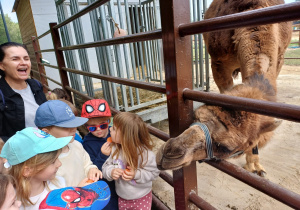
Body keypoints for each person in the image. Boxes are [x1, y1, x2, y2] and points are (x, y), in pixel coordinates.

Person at [0, 127, 73, 210]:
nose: (60, 164)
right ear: (27, 171)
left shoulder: (59, 184)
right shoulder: (9, 200)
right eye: (53, 162)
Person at [35, 100, 102, 187]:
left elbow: (87, 164)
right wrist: (77, 190)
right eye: (66, 126)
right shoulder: (45, 162)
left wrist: (92, 169)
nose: (74, 128)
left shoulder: (77, 145)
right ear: (46, 132)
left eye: (74, 123)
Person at [102, 112, 160, 210]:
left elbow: (154, 173)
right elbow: (105, 167)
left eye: (114, 129)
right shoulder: (115, 149)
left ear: (126, 137)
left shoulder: (145, 154)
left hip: (141, 198)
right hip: (122, 197)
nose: (110, 129)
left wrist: (136, 174)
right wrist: (111, 172)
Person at [0, 42, 47, 142]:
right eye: (15, 59)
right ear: (2, 66)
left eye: (26, 58)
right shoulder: (2, 94)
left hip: (45, 145)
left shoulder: (36, 86)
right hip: (20, 152)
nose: (23, 63)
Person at [81, 99, 118, 209]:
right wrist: (102, 155)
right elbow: (92, 169)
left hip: (121, 183)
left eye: (102, 126)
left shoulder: (115, 134)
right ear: (86, 126)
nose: (98, 130)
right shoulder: (87, 143)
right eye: (92, 127)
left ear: (108, 121)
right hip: (106, 187)